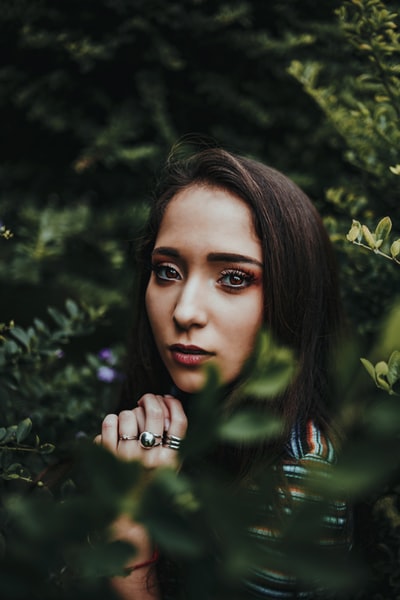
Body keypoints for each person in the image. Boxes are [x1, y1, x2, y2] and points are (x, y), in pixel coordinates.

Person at [95, 144, 352, 599]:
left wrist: (128, 535)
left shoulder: (296, 478)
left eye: (233, 278)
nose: (185, 311)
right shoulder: (167, 417)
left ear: (291, 298)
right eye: (167, 271)